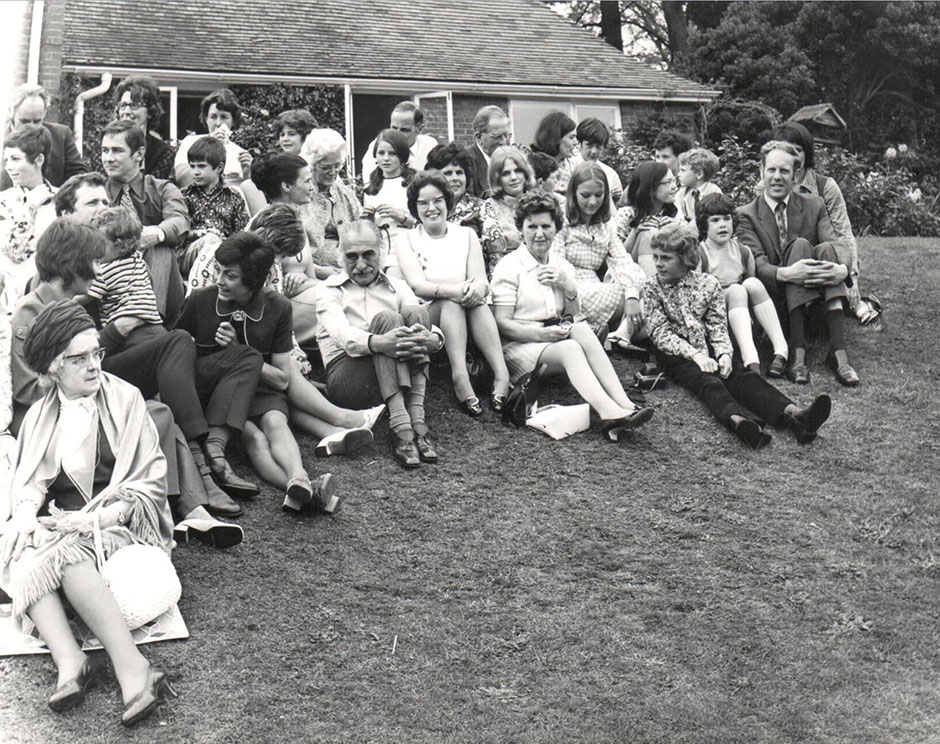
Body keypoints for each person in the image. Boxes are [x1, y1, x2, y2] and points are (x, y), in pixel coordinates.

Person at [11, 219, 251, 534]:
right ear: (72, 264)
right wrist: (106, 391)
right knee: (155, 410)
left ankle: (191, 503)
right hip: (52, 413)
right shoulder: (31, 312)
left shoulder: (71, 304)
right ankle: (187, 501)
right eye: (95, 262)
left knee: (167, 375)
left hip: (84, 391)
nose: (100, 271)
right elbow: (32, 391)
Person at [0, 299, 176, 726]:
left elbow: (148, 485)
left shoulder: (126, 398)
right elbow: (28, 485)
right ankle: (71, 661)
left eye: (96, 353)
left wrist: (96, 520)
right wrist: (26, 517)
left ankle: (134, 667)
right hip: (65, 524)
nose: (94, 366)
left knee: (68, 557)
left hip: (121, 523)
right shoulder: (41, 415)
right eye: (78, 359)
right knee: (22, 549)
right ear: (52, 368)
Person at [187, 203, 383, 457]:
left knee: (283, 372)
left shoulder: (270, 267)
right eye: (277, 252)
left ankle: (331, 433)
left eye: (280, 256)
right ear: (261, 234)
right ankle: (344, 419)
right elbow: (194, 311)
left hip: (250, 349)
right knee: (280, 376)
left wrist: (297, 358)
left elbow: (279, 324)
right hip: (216, 350)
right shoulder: (216, 256)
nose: (276, 260)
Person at [176, 232, 340, 514]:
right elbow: (176, 349)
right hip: (218, 393)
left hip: (262, 389)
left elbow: (282, 378)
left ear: (253, 282)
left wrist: (241, 351)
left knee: (276, 421)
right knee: (254, 437)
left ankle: (298, 480)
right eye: (219, 271)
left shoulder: (277, 306)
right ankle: (306, 488)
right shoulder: (200, 301)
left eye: (230, 276)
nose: (219, 281)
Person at [642, 222, 832, 449]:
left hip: (710, 346)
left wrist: (722, 353)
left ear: (684, 257)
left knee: (740, 375)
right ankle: (740, 422)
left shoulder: (707, 284)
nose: (658, 264)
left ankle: (795, 415)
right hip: (676, 354)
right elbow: (660, 333)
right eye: (656, 257)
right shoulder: (652, 288)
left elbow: (717, 325)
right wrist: (696, 356)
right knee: (708, 381)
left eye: (665, 258)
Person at [492, 191, 652, 439]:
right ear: (520, 228)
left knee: (580, 328)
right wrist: (541, 333)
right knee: (571, 349)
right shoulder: (510, 266)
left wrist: (568, 288)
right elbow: (501, 324)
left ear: (556, 228)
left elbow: (573, 315)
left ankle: (625, 403)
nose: (539, 233)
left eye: (546, 226)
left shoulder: (561, 265)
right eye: (531, 226)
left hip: (550, 338)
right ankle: (609, 413)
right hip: (518, 345)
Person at [316, 219, 444, 468]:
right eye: (351, 257)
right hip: (350, 378)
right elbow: (345, 338)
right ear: (341, 257)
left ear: (381, 252)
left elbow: (423, 325)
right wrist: (380, 342)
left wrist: (433, 339)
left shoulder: (398, 286)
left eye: (368, 255)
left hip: (393, 368)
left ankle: (417, 416)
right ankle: (400, 425)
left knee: (416, 313)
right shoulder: (328, 290)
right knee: (388, 319)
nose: (360, 265)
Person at [735, 141, 859, 386]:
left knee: (824, 248)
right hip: (772, 308)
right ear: (761, 172)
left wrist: (842, 270)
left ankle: (838, 352)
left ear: (796, 175)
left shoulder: (814, 205)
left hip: (813, 303)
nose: (777, 177)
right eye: (771, 170)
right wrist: (788, 273)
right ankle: (796, 351)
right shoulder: (746, 214)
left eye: (784, 171)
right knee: (801, 245)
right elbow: (757, 265)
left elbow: (836, 244)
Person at [395, 171, 510, 415]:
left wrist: (476, 289)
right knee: (450, 304)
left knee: (477, 302)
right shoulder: (407, 239)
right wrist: (456, 291)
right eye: (423, 203)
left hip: (468, 304)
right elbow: (418, 285)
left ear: (447, 201)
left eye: (437, 200)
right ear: (415, 208)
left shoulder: (466, 234)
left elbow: (480, 278)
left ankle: (501, 373)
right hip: (429, 311)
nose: (432, 208)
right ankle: (460, 376)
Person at [101, 119, 190, 320]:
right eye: (105, 151)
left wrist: (156, 233)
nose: (108, 158)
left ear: (139, 154)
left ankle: (148, 321)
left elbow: (179, 220)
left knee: (161, 247)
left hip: (160, 283)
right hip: (109, 279)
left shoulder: (162, 188)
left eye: (116, 151)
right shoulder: (97, 192)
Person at [695, 193, 789, 377]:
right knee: (737, 290)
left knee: (752, 283)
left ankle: (781, 349)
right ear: (704, 225)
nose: (722, 224)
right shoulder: (700, 253)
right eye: (715, 220)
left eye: (727, 219)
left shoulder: (743, 251)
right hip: (715, 314)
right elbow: (698, 298)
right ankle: (751, 359)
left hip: (741, 314)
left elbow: (751, 288)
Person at [771, 121, 861, 311]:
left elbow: (843, 234)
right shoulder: (770, 185)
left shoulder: (825, 187)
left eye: (797, 150)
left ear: (807, 153)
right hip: (786, 264)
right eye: (785, 151)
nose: (792, 157)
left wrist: (851, 278)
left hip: (822, 258)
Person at [552, 162, 646, 342]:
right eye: (585, 195)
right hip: (569, 288)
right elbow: (557, 264)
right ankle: (605, 330)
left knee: (641, 287)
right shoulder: (562, 222)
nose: (592, 202)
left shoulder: (606, 227)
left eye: (599, 195)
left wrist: (631, 295)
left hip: (596, 286)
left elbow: (623, 260)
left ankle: (618, 334)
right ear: (573, 193)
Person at [86, 208, 165, 350]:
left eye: (100, 244)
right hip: (155, 326)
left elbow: (84, 296)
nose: (93, 249)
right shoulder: (138, 261)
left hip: (130, 335)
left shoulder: (105, 271)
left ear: (121, 247)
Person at [0, 125, 58, 311]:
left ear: (39, 159)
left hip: (50, 295)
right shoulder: (3, 201)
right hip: (9, 297)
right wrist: (30, 207)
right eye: (6, 160)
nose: (8, 166)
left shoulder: (60, 199)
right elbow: (14, 252)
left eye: (15, 159)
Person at [179, 135, 250, 276]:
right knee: (211, 240)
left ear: (219, 168)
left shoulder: (233, 197)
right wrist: (200, 234)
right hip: (190, 254)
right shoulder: (184, 195)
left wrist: (224, 241)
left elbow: (243, 234)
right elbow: (178, 234)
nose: (195, 172)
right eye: (192, 166)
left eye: (201, 166)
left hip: (225, 254)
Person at [297, 128, 363, 278]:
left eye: (337, 165)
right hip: (312, 274)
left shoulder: (346, 194)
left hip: (352, 270)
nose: (333, 172)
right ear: (311, 164)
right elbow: (290, 250)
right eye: (325, 167)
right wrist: (317, 270)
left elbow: (361, 233)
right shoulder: (299, 196)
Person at [1, 84, 87, 190]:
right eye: (24, 121)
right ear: (11, 112)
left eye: (37, 121)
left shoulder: (61, 136)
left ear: (45, 113)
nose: (31, 127)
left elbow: (80, 178)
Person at [241, 109, 319, 216]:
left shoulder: (312, 164)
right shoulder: (277, 163)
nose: (285, 139)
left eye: (291, 134)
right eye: (282, 135)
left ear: (305, 137)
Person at [174, 89, 252, 188]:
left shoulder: (240, 153)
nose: (218, 123)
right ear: (206, 119)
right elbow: (182, 180)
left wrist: (247, 174)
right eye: (213, 117)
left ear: (233, 121)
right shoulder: (190, 142)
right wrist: (207, 145)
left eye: (224, 117)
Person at [362, 129, 418, 258]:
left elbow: (424, 225)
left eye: (392, 153)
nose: (386, 158)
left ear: (402, 156)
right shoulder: (370, 189)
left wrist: (401, 217)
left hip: (407, 250)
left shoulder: (414, 184)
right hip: (378, 252)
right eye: (381, 153)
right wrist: (368, 220)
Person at [617, 161, 679, 278]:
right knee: (648, 233)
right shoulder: (627, 215)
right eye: (667, 182)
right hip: (630, 272)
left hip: (669, 271)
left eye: (674, 180)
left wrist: (677, 230)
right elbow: (615, 257)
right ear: (650, 188)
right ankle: (653, 289)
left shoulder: (674, 214)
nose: (674, 186)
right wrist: (635, 233)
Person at [481, 146, 535, 276]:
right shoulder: (488, 208)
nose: (514, 177)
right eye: (506, 173)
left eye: (518, 171)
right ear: (497, 178)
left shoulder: (538, 203)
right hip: (503, 275)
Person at [114, 75, 175, 180]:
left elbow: (151, 189)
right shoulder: (105, 147)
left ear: (150, 112)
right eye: (123, 105)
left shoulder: (163, 152)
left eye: (135, 105)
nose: (126, 111)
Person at [360, 101, 438, 179]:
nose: (397, 134)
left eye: (404, 130)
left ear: (419, 128)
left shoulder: (430, 145)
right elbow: (369, 182)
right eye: (394, 128)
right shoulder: (379, 146)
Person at [425, 142, 484, 237]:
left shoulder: (482, 208)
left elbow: (497, 250)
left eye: (459, 173)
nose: (455, 178)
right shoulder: (425, 209)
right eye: (448, 173)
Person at [531, 111, 581, 196]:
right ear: (556, 138)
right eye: (571, 137)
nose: (576, 142)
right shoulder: (533, 166)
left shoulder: (576, 166)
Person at [576, 117, 623, 206]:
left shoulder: (610, 174)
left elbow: (617, 205)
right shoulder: (569, 168)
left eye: (598, 146)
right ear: (580, 143)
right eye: (589, 145)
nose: (594, 151)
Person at [467, 105, 512, 197]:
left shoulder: (511, 160)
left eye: (507, 136)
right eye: (497, 137)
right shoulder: (467, 161)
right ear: (479, 137)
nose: (504, 142)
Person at [674, 148, 722, 223]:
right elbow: (679, 216)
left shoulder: (714, 192)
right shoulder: (681, 194)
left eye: (683, 170)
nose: (678, 174)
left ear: (699, 174)